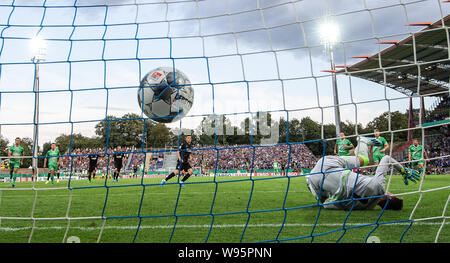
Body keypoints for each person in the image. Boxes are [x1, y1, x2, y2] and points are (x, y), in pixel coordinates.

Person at [306, 137, 420, 210]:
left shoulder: (379, 187)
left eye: (392, 194)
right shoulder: (362, 208)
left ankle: (362, 140)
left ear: (389, 197)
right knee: (324, 198)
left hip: (328, 164)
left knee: (363, 159)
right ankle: (310, 182)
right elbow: (326, 205)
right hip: (316, 181)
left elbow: (386, 158)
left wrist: (403, 171)